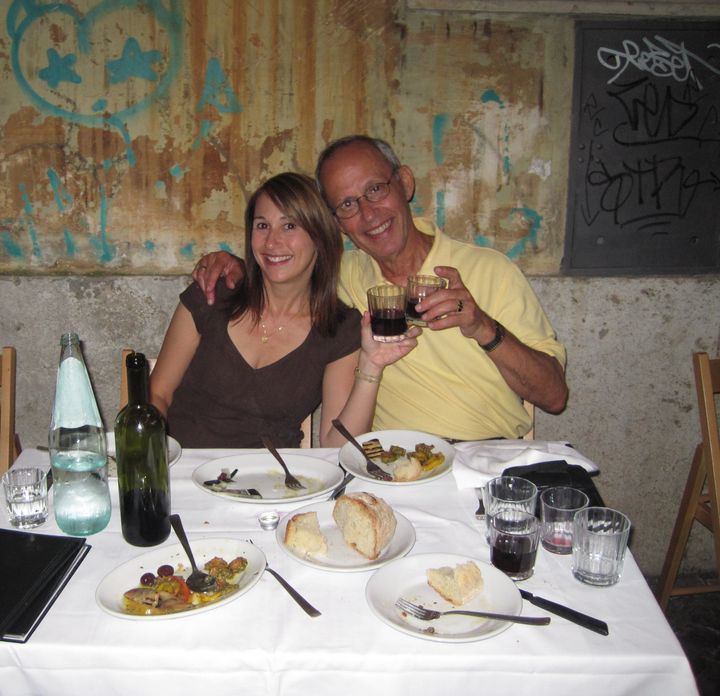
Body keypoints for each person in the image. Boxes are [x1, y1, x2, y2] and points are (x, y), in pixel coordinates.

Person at [193, 136, 568, 441]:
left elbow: (553, 397)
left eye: (375, 189)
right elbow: (283, 267)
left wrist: (482, 327)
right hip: (391, 465)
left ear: (404, 182)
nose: (369, 214)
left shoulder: (491, 271)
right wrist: (236, 266)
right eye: (348, 204)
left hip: (483, 458)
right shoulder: (341, 279)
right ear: (336, 222)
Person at [151, 171, 418, 448]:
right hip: (182, 473)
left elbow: (336, 445)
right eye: (262, 225)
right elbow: (158, 393)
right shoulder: (212, 295)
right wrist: (154, 457)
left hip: (272, 482)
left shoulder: (338, 328)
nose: (272, 242)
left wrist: (371, 367)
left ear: (320, 236)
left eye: (290, 226)